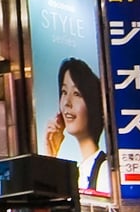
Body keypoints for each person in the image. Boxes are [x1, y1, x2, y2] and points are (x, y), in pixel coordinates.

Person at [44, 58, 112, 195]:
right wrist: (50, 155)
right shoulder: (79, 168)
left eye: (76, 94)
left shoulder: (104, 170)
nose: (67, 103)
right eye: (64, 92)